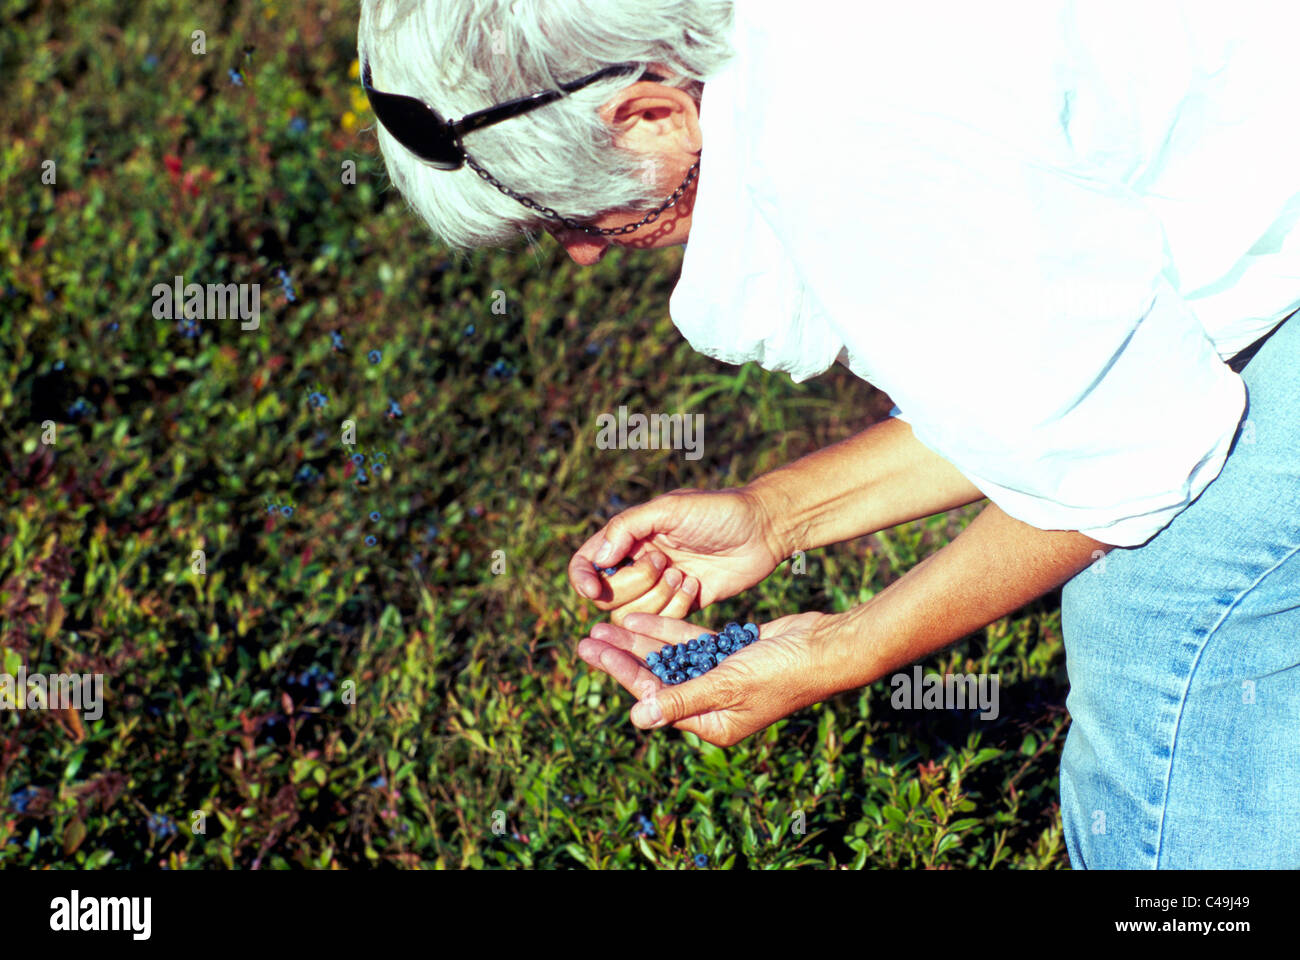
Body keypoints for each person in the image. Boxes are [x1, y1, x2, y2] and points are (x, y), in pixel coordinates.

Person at [357, 0, 1300, 867]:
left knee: (1162, 618)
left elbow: (1136, 457)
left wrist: (844, 648)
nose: (583, 252)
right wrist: (776, 517)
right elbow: (1077, 383)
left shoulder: (841, 136)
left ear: (650, 115)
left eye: (563, 216)